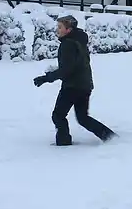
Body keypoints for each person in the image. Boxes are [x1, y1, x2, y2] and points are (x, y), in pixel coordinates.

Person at [33, 15, 117, 146]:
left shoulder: (67, 44)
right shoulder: (79, 41)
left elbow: (66, 70)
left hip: (72, 86)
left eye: (60, 27)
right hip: (84, 85)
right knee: (83, 118)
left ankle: (63, 143)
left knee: (58, 115)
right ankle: (110, 137)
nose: (57, 30)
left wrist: (46, 78)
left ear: (68, 29)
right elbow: (74, 65)